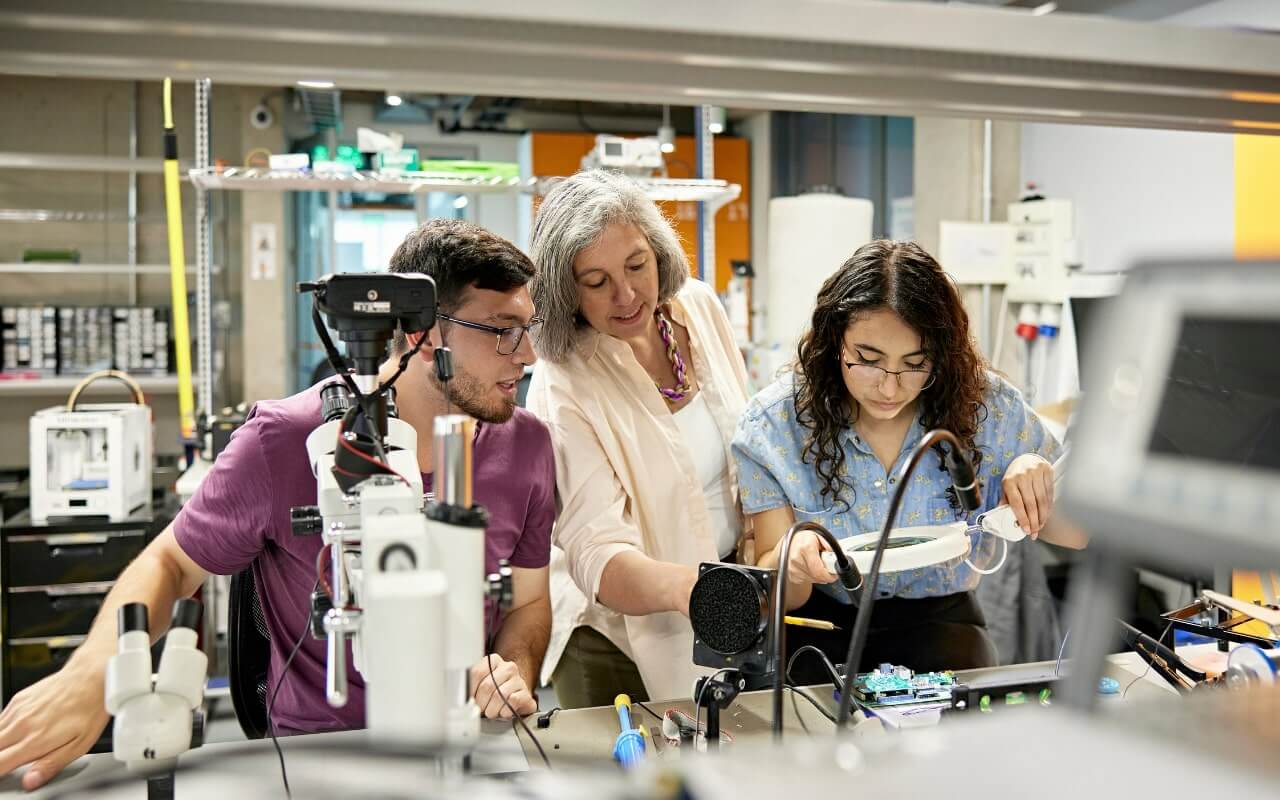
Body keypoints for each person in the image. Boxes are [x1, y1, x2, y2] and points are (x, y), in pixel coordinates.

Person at [0, 219, 556, 791]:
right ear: (423, 333)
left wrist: (511, 671)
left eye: (527, 327)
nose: (529, 353)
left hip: (467, 745)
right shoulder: (283, 441)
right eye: (502, 329)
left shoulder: (529, 445)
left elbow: (528, 605)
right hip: (319, 751)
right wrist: (95, 674)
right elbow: (169, 563)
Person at [731, 239, 1086, 683]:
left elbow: (1075, 533)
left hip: (942, 626)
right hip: (820, 628)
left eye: (915, 364)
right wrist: (791, 560)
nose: (890, 388)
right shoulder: (775, 425)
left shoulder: (988, 409)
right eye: (867, 360)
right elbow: (784, 591)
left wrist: (1034, 472)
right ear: (833, 341)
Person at [525, 169, 752, 707]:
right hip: (614, 642)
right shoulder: (564, 382)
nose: (626, 295)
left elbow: (751, 451)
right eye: (596, 281)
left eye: (636, 265)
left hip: (726, 607)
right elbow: (597, 550)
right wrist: (693, 590)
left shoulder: (698, 307)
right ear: (565, 289)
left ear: (658, 252)